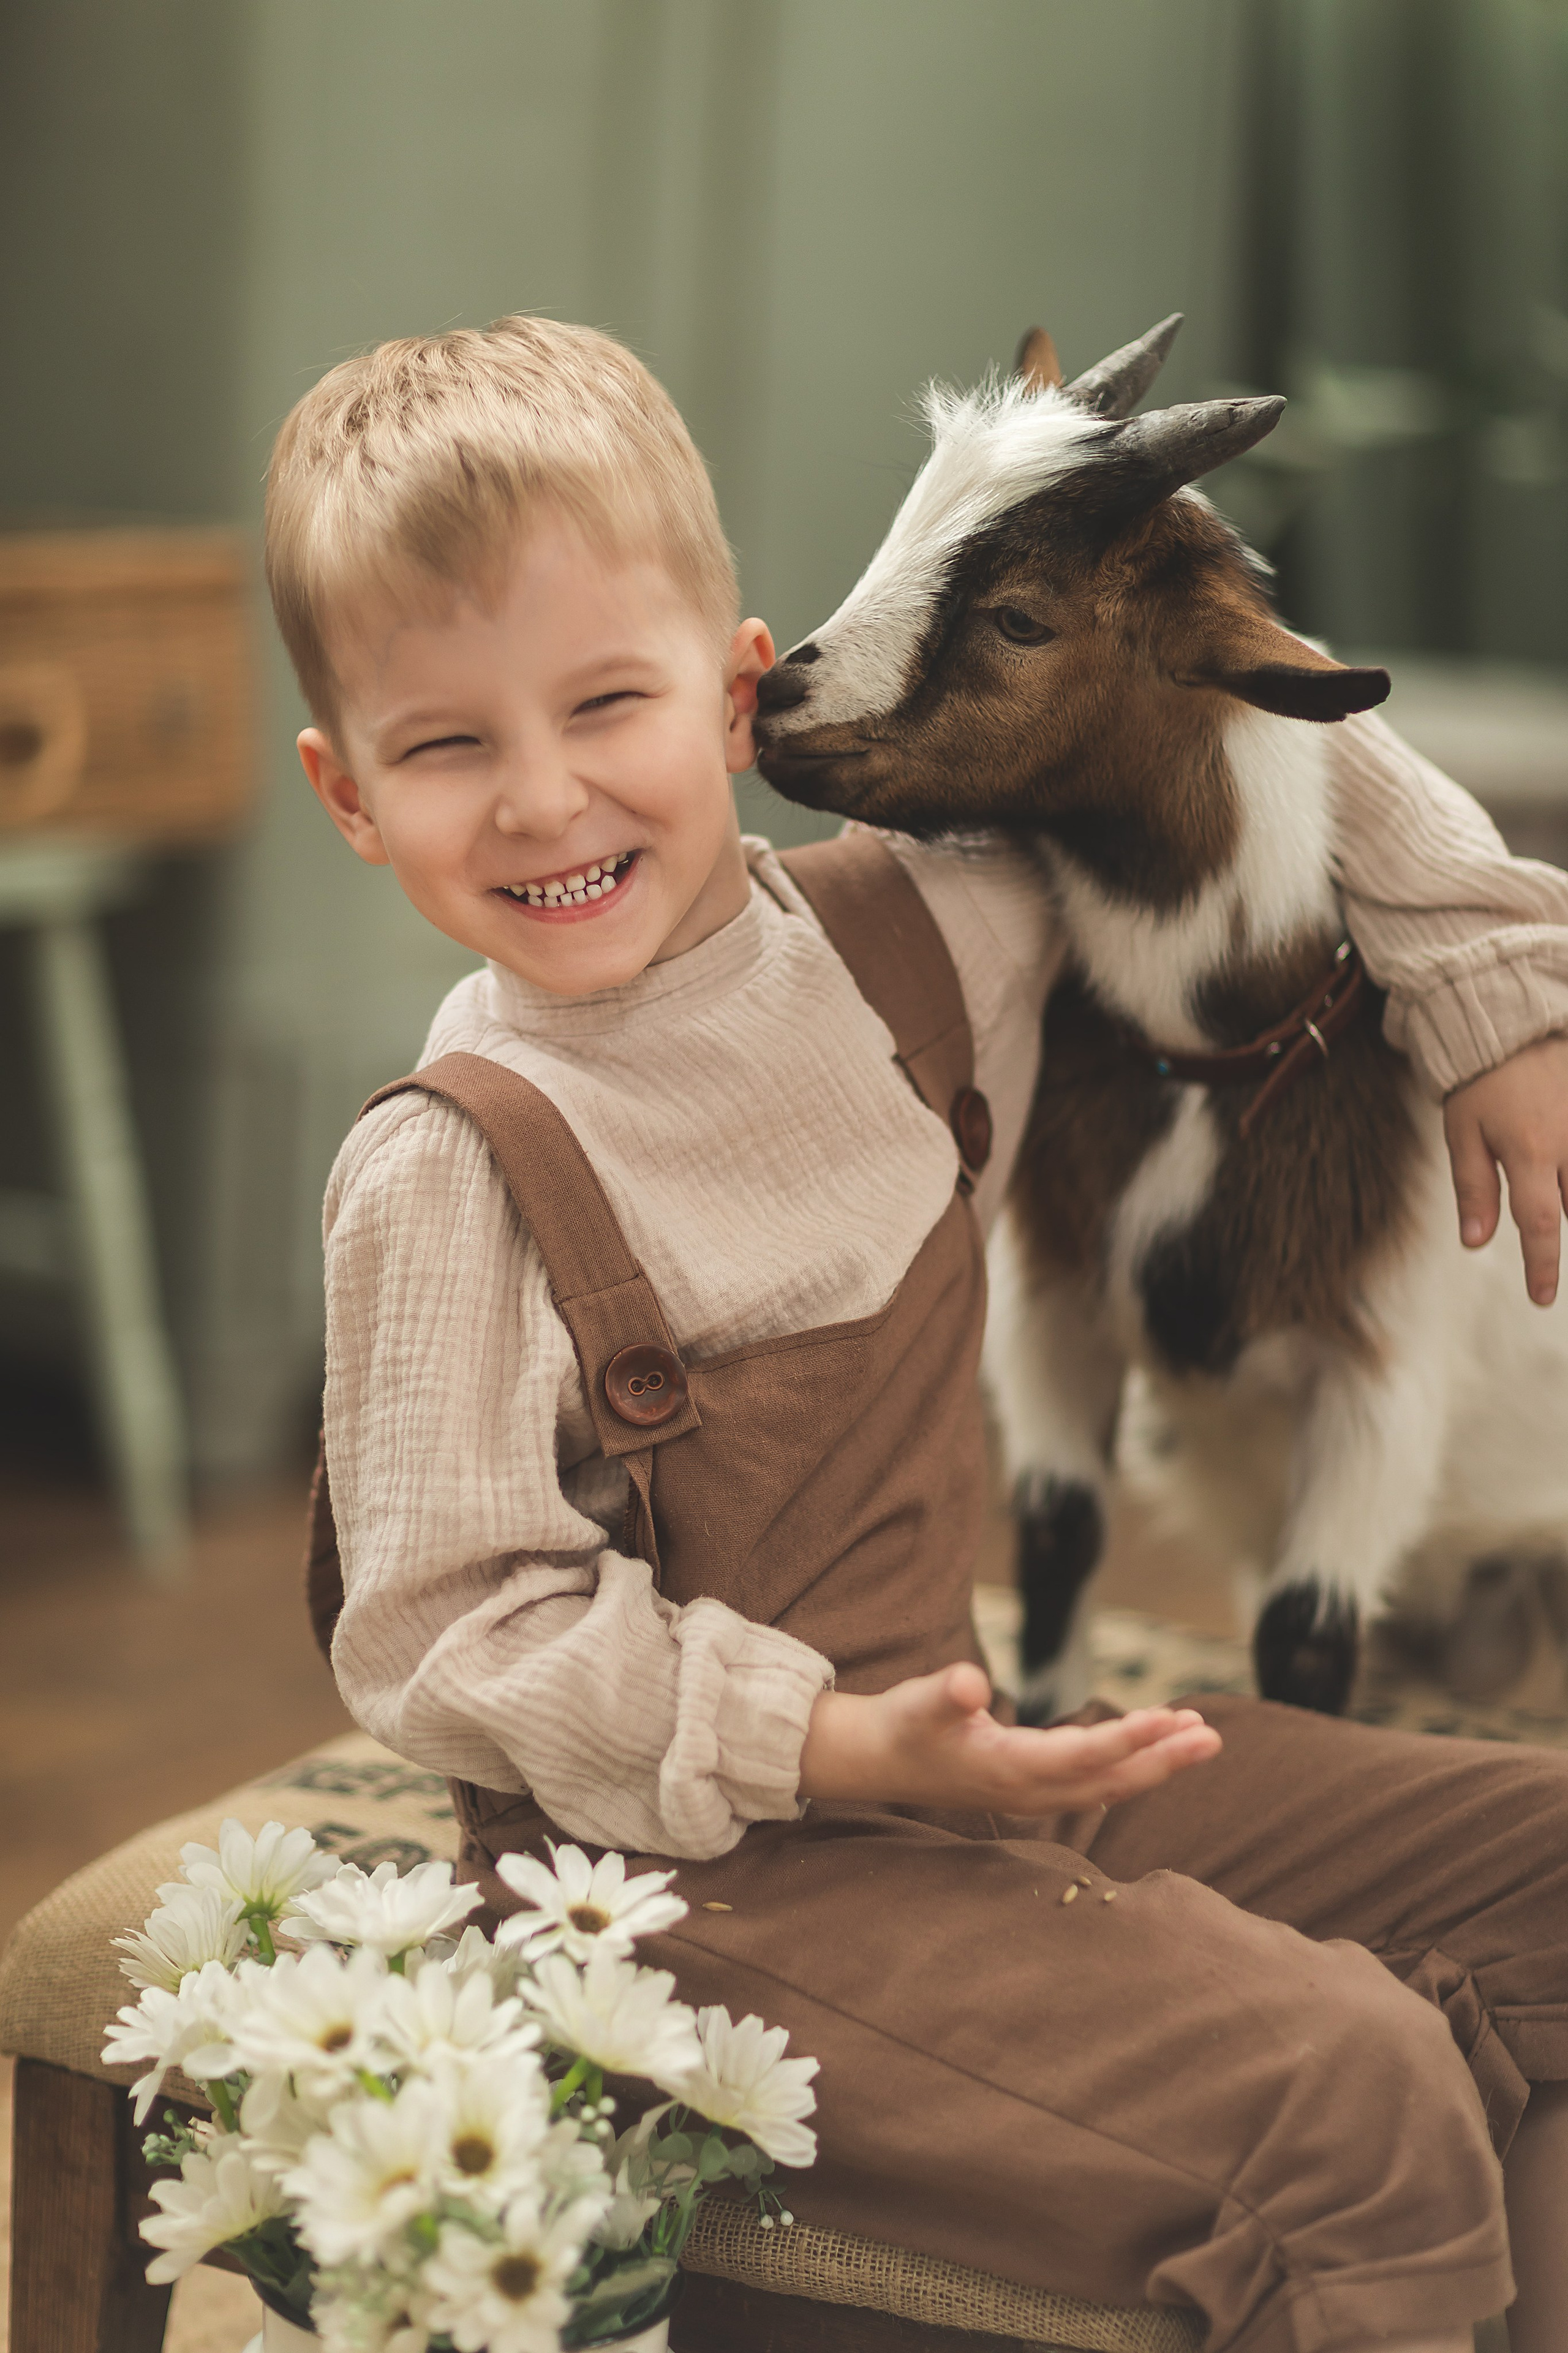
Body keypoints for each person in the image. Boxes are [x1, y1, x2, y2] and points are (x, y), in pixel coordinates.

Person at [268, 312, 1568, 2353]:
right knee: (1354, 2075)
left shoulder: (922, 928)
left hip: (960, 1762)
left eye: (607, 702)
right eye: (448, 747)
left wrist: (1504, 999)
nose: (541, 798)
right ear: (349, 793)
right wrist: (832, 1741)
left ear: (741, 681)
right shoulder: (457, 1165)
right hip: (702, 1888)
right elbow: (438, 1631)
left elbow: (1245, 728)